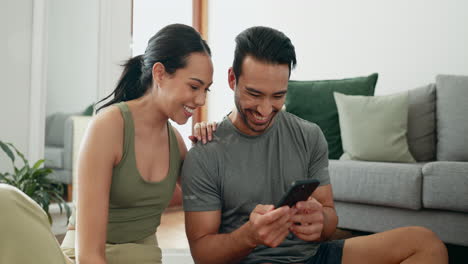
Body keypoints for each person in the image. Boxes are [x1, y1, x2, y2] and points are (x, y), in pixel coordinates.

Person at [181, 26, 448, 264]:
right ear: (232, 79)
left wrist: (321, 221)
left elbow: (330, 218)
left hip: (313, 257)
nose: (265, 109)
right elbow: (203, 253)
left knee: (425, 243)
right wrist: (248, 236)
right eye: (254, 94)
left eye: (278, 96)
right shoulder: (206, 151)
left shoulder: (309, 135)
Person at [0, 23, 214, 264]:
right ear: (160, 73)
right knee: (3, 198)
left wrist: (212, 149)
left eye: (206, 89)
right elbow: (89, 255)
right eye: (194, 87)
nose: (201, 100)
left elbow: (213, 201)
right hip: (87, 259)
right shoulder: (110, 127)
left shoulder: (175, 142)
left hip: (141, 259)